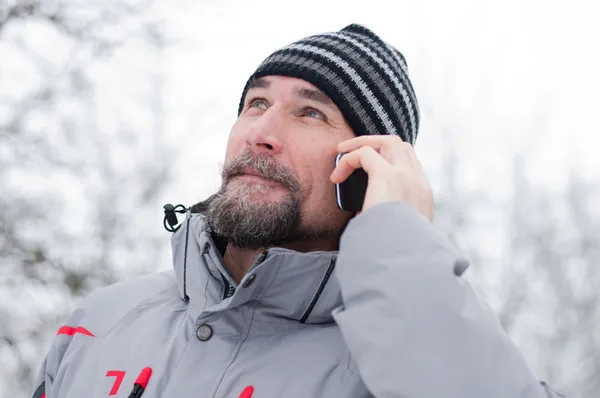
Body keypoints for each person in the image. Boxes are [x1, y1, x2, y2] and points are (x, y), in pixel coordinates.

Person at [32, 23, 566, 398]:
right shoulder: (98, 324)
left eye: (310, 113)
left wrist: (399, 245)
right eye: (256, 104)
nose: (261, 134)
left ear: (367, 169)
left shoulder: (405, 363)